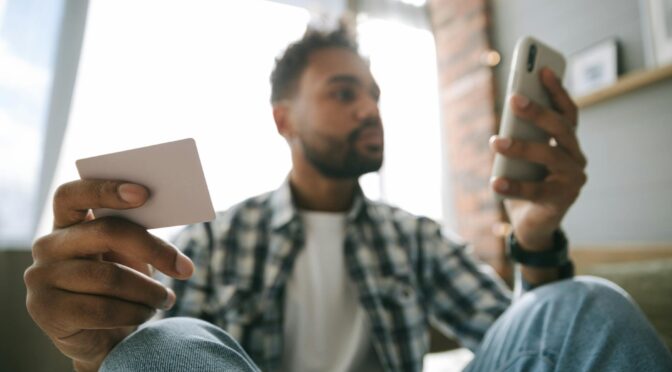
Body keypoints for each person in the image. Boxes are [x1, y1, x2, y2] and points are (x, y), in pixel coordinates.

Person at [24, 26, 672, 372]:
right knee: (161, 343)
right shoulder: (219, 240)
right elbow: (153, 365)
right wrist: (94, 346)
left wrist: (534, 236)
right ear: (283, 120)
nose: (370, 108)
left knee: (585, 303)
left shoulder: (413, 237)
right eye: (343, 92)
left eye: (376, 94)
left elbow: (535, 347)